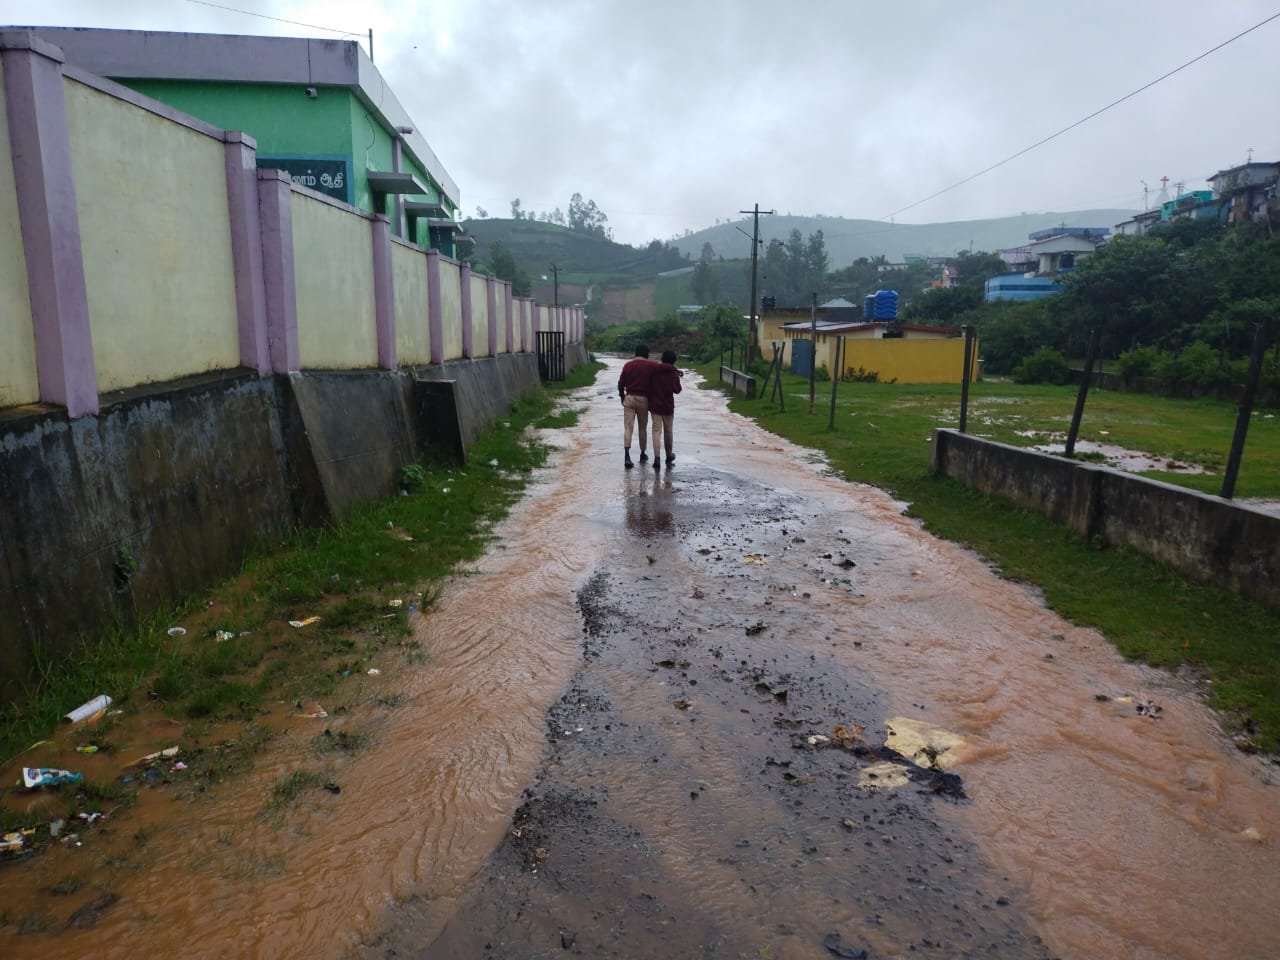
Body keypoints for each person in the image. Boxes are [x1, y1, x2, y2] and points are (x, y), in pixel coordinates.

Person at [617, 344, 657, 468]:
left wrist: (622, 396)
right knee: (642, 428)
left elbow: (621, 383)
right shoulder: (651, 365)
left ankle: (627, 456)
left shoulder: (628, 365)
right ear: (646, 354)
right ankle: (642, 453)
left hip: (629, 398)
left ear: (636, 353)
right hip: (643, 399)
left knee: (628, 427)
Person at [647, 350, 683, 469]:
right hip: (668, 406)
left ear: (662, 358)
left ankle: (657, 458)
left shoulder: (654, 371)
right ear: (673, 361)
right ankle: (668, 455)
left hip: (655, 405)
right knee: (668, 431)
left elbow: (648, 386)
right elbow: (677, 390)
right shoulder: (673, 373)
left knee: (656, 431)